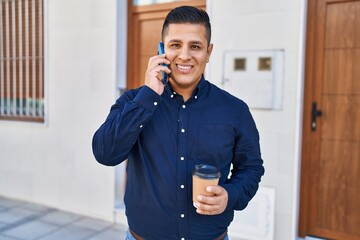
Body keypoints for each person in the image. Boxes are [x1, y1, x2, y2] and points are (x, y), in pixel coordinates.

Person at [92, 5, 264, 240]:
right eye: (175, 45)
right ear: (161, 49)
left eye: (195, 46)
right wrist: (148, 96)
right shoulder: (134, 102)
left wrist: (230, 195)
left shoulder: (235, 110)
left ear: (208, 52)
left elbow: (251, 168)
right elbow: (105, 153)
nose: (184, 55)